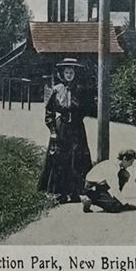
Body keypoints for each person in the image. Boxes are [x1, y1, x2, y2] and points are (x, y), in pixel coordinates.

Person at [37, 59, 92, 203]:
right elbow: (49, 111)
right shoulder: (57, 89)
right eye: (66, 72)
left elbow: (87, 108)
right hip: (62, 129)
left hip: (77, 129)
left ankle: (75, 192)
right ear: (62, 74)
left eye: (71, 72)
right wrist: (53, 130)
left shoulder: (80, 89)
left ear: (75, 74)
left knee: (77, 158)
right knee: (60, 160)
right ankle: (59, 192)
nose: (69, 75)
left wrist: (77, 115)